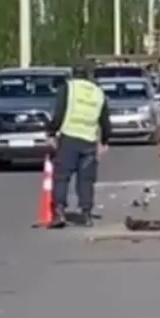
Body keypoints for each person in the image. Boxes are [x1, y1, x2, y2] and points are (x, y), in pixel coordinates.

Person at [44, 65, 112, 228]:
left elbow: (59, 112)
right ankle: (86, 214)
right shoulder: (98, 92)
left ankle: (59, 212)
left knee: (62, 177)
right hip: (88, 140)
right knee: (86, 179)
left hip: (69, 138)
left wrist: (51, 132)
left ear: (73, 75)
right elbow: (105, 121)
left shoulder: (68, 88)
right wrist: (105, 141)